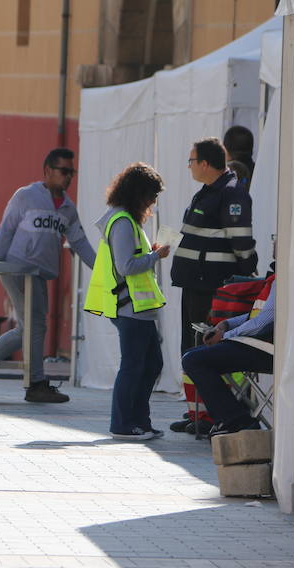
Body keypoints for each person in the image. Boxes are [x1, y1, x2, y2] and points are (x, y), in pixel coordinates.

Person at [0, 148, 96, 403]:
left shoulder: (68, 208)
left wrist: (105, 270)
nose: (69, 177)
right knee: (34, 326)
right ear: (47, 171)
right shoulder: (26, 196)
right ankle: (35, 384)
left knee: (31, 328)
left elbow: (80, 244)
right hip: (17, 268)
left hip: (39, 274)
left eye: (72, 172)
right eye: (64, 171)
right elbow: (6, 229)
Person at [171, 137, 258, 431]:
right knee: (190, 347)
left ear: (205, 164)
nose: (190, 166)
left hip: (212, 285)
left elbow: (241, 241)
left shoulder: (232, 194)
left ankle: (213, 415)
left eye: (192, 161)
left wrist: (244, 276)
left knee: (207, 349)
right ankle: (198, 413)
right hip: (194, 283)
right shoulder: (208, 191)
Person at [84, 163, 169, 441]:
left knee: (151, 365)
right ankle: (123, 424)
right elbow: (126, 266)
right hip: (130, 308)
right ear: (138, 194)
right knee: (134, 366)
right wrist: (156, 257)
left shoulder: (128, 221)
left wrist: (151, 254)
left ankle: (140, 421)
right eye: (151, 195)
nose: (153, 202)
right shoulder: (122, 222)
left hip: (138, 309)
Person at [182, 275, 275, 437]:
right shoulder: (275, 279)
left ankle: (236, 420)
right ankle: (217, 417)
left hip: (265, 349)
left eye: (275, 246)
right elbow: (254, 316)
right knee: (191, 356)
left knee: (194, 360)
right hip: (257, 345)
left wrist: (225, 336)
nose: (274, 247)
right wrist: (226, 325)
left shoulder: (281, 280)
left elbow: (263, 322)